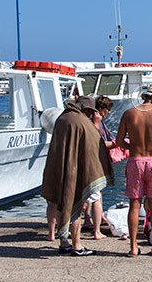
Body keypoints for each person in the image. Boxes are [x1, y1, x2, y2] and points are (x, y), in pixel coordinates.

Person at [41, 96, 114, 256]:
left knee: (61, 204)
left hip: (60, 166)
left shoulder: (63, 118)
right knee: (74, 205)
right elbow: (94, 143)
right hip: (74, 169)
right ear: (87, 110)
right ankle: (77, 245)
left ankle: (63, 242)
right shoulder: (80, 121)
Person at [116, 83, 152, 257]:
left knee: (134, 205)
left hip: (135, 161)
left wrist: (133, 145)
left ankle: (133, 247)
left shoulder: (129, 114)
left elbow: (119, 141)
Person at [82, 96, 116, 240]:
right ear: (101, 109)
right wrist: (116, 144)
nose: (108, 113)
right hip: (93, 162)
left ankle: (88, 220)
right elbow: (98, 142)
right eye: (107, 110)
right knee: (97, 195)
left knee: (87, 194)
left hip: (86, 162)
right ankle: (97, 231)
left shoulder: (86, 120)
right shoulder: (94, 122)